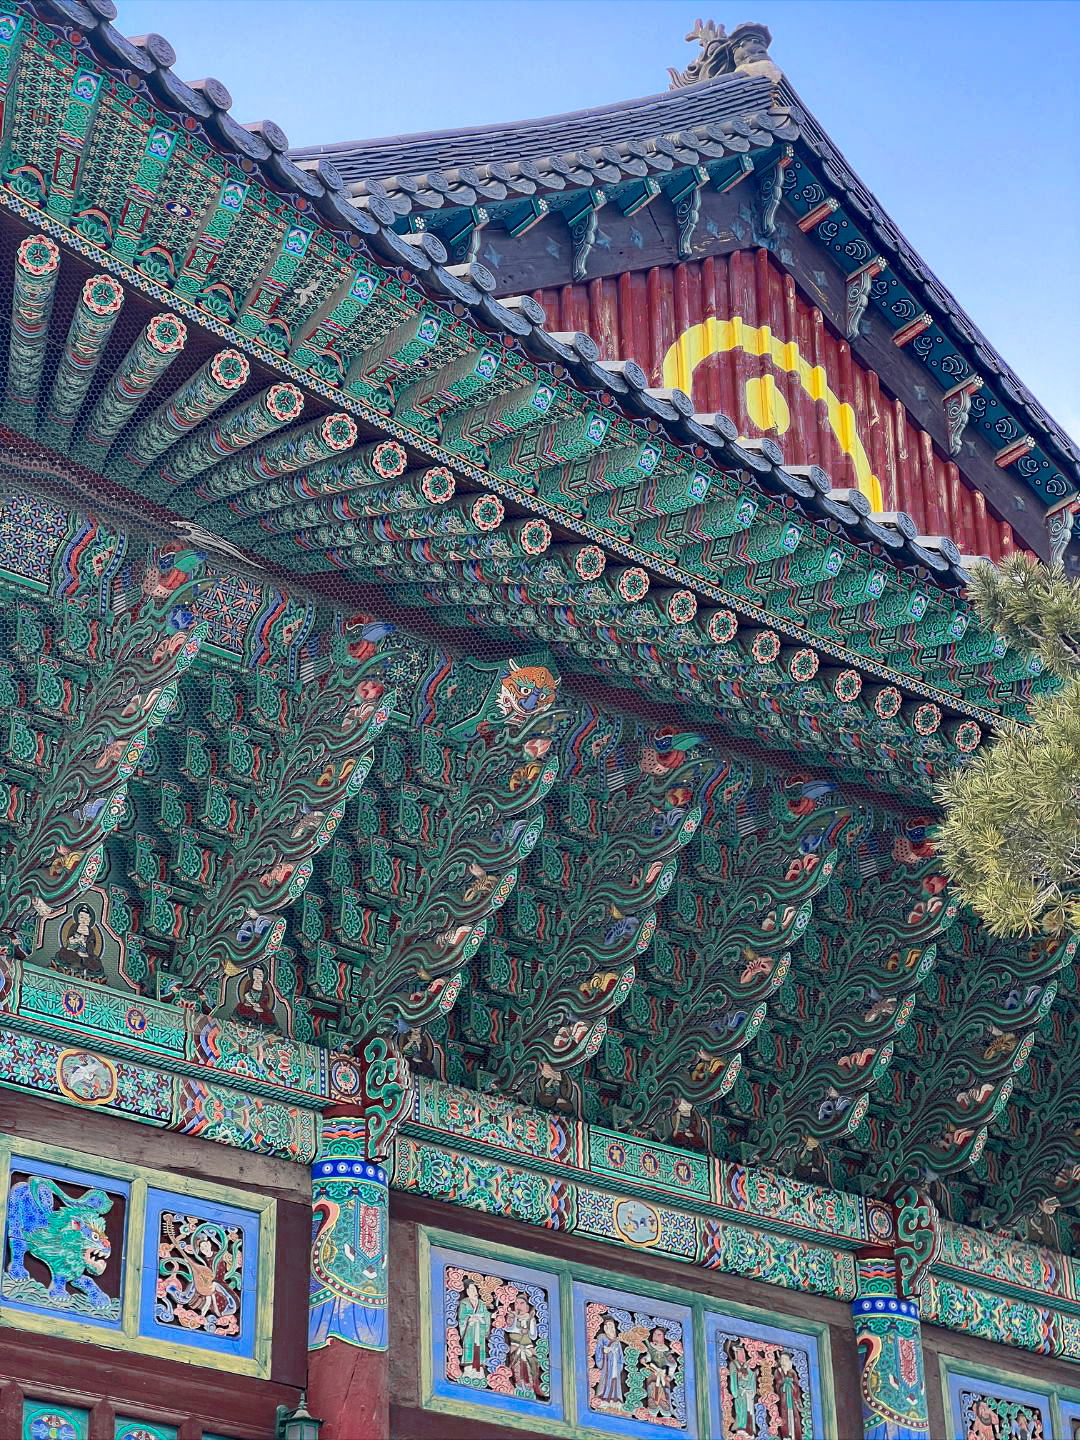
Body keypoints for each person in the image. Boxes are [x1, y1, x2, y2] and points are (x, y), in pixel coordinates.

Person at [506, 1294, 544, 1399]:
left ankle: (529, 1387)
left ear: (527, 1307)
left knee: (529, 1367)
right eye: (516, 1303)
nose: (519, 1306)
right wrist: (517, 1327)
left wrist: (528, 1329)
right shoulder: (512, 1316)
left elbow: (533, 1335)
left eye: (522, 1303)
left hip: (527, 1346)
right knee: (517, 1366)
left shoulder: (530, 1318)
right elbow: (509, 1329)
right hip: (515, 1345)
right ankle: (519, 1385)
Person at [55, 904, 104, 980]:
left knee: (95, 964)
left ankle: (83, 969)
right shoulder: (74, 927)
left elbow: (91, 944)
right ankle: (74, 967)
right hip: (73, 951)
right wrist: (76, 940)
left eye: (86, 918)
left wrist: (85, 943)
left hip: (85, 954)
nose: (84, 920)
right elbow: (69, 939)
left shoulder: (91, 932)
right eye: (81, 917)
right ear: (78, 918)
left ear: (90, 920)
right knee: (65, 954)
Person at [639, 1325, 678, 1419]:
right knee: (652, 1385)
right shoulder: (651, 1347)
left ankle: (663, 1403)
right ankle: (652, 1402)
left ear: (663, 1337)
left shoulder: (666, 1351)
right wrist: (644, 1359)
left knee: (665, 1387)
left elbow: (673, 1364)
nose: (656, 1336)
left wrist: (670, 1375)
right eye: (655, 1334)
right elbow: (648, 1357)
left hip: (662, 1373)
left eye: (659, 1334)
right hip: (653, 1371)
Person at [458, 1280, 490, 1380]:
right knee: (470, 1349)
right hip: (470, 1331)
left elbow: (486, 1316)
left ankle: (479, 1372)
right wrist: (469, 1319)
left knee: (479, 1349)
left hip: (479, 1330)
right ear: (467, 1291)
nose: (474, 1291)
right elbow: (461, 1318)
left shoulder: (481, 1304)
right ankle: (468, 1370)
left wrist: (485, 1318)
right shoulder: (464, 1303)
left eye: (475, 1289)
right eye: (471, 1289)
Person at [593, 1314, 625, 1407]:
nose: (610, 1328)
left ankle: (615, 1398)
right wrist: (605, 1351)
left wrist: (619, 1365)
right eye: (608, 1326)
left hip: (615, 1362)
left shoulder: (617, 1341)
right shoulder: (602, 1337)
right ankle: (603, 1397)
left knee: (615, 1379)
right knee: (606, 1379)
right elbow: (599, 1349)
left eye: (612, 1326)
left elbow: (620, 1356)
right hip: (606, 1363)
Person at [727, 1340, 757, 1434]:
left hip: (748, 1392)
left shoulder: (746, 1365)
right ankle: (741, 1426)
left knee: (749, 1410)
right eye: (739, 1351)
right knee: (741, 1409)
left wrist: (753, 1375)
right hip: (740, 1391)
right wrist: (737, 1375)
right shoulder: (733, 1364)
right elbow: (733, 1378)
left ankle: (749, 1429)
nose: (741, 1354)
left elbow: (751, 1376)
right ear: (736, 1352)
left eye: (742, 1351)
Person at [776, 1350, 804, 1439]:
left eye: (785, 1359)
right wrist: (785, 1380)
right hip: (784, 1396)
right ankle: (786, 1435)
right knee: (784, 1415)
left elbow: (796, 1384)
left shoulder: (792, 1371)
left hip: (792, 1397)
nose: (783, 1361)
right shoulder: (778, 1370)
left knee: (794, 1415)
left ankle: (794, 1434)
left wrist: (790, 1379)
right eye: (782, 1359)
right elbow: (778, 1382)